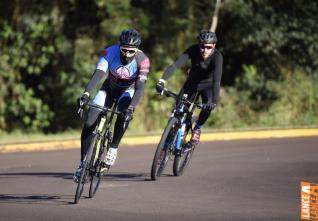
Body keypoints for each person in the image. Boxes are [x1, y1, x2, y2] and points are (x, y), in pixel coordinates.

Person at [73, 29, 150, 182]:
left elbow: (140, 88)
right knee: (89, 123)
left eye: (131, 51)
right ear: (119, 46)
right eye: (124, 50)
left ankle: (113, 148)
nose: (127, 54)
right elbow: (98, 75)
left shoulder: (143, 61)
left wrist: (131, 108)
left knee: (123, 114)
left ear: (137, 50)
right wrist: (86, 94)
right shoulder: (108, 52)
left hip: (127, 92)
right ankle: (83, 164)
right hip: (108, 89)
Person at [156, 30, 223, 145]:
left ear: (214, 46)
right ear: (198, 45)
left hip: (208, 84)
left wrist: (214, 102)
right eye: (202, 46)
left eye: (208, 47)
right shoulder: (193, 50)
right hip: (192, 82)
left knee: (207, 107)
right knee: (178, 110)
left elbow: (217, 81)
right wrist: (162, 81)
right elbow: (175, 65)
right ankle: (166, 145)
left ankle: (197, 127)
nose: (205, 50)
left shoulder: (217, 56)